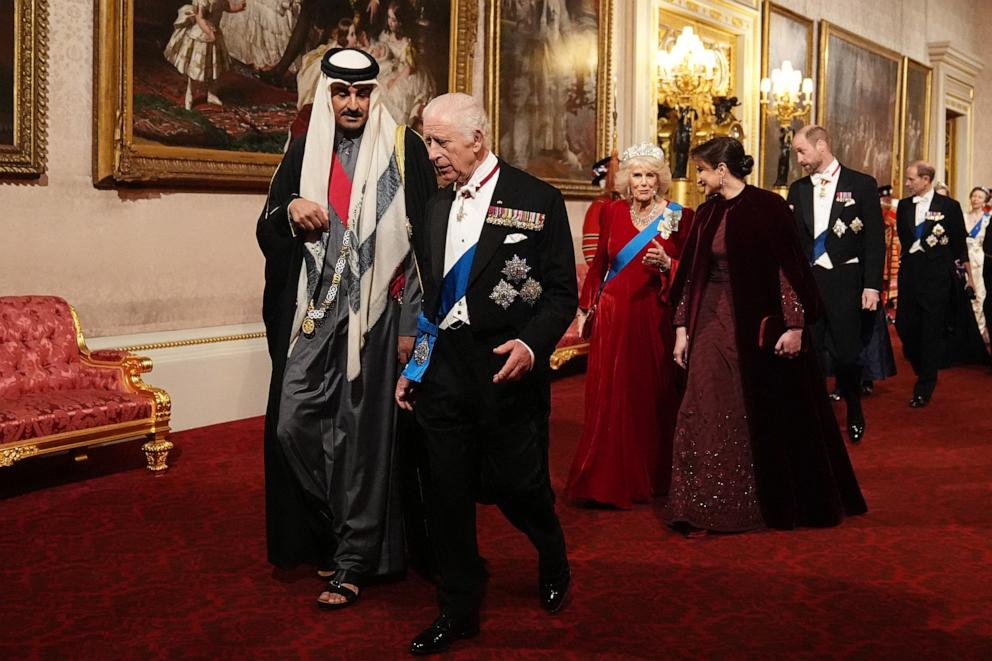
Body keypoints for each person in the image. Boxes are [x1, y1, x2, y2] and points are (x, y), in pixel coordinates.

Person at [255, 47, 436, 610]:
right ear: (327, 93)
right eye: (341, 93)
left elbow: (427, 248)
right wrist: (291, 211)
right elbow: (265, 227)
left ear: (373, 94)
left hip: (379, 317)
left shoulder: (404, 148)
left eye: (361, 93)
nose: (352, 103)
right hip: (313, 312)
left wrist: (413, 328)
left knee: (361, 440)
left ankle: (355, 557)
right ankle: (335, 526)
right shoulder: (303, 147)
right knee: (294, 423)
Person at [395, 92, 576, 655]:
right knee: (446, 493)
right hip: (446, 370)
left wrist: (530, 342)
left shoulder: (537, 198)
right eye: (427, 141)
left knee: (519, 488)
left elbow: (561, 292)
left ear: (477, 139)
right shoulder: (434, 207)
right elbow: (433, 299)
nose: (432, 154)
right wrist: (417, 369)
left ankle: (551, 552)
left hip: (506, 369)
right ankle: (459, 605)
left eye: (440, 142)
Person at [667, 136, 867, 535]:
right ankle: (700, 507)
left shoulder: (769, 208)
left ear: (721, 170)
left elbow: (789, 270)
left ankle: (745, 504)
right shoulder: (706, 214)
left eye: (703, 171)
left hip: (754, 327)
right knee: (701, 403)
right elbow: (692, 276)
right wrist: (681, 328)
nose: (699, 179)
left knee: (746, 408)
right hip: (709, 319)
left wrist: (795, 327)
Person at [565, 143, 693, 508]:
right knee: (613, 395)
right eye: (636, 175)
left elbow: (693, 270)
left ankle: (653, 476)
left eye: (650, 175)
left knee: (651, 393)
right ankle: (607, 479)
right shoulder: (612, 212)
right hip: (613, 314)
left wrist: (668, 263)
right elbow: (600, 264)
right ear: (625, 180)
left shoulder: (678, 216)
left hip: (654, 313)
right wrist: (586, 307)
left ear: (661, 180)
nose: (643, 182)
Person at [787, 125, 885, 443]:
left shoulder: (862, 184)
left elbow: (874, 241)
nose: (799, 159)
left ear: (822, 146)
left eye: (802, 151)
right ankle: (817, 417)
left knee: (846, 353)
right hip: (811, 282)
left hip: (846, 280)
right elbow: (795, 241)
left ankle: (854, 408)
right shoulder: (798, 189)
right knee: (811, 353)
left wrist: (872, 285)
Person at [896, 161, 975, 407]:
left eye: (911, 179)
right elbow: (905, 238)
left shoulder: (949, 206)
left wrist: (966, 274)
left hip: (937, 275)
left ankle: (925, 385)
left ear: (926, 179)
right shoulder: (904, 206)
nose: (907, 183)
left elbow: (958, 243)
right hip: (910, 273)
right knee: (904, 326)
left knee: (931, 330)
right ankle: (923, 367)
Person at [163, 0, 246, 111]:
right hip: (202, 36)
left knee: (215, 68)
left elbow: (226, 6)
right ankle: (190, 94)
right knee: (195, 71)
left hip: (215, 35)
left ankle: (211, 94)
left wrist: (239, 7)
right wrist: (209, 32)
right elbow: (200, 18)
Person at [368, 0, 437, 128]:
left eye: (393, 20)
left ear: (401, 21)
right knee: (378, 88)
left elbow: (409, 67)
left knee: (395, 93)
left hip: (407, 74)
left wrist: (395, 80)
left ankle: (396, 129)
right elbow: (385, 49)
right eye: (389, 18)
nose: (390, 22)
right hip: (392, 69)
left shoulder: (407, 42)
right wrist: (379, 51)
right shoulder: (387, 34)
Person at [963, 186, 990, 342]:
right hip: (963, 259)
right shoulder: (963, 217)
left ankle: (980, 332)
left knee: (979, 295)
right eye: (974, 196)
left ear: (985, 200)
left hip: (979, 259)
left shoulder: (987, 219)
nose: (976, 199)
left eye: (980, 197)